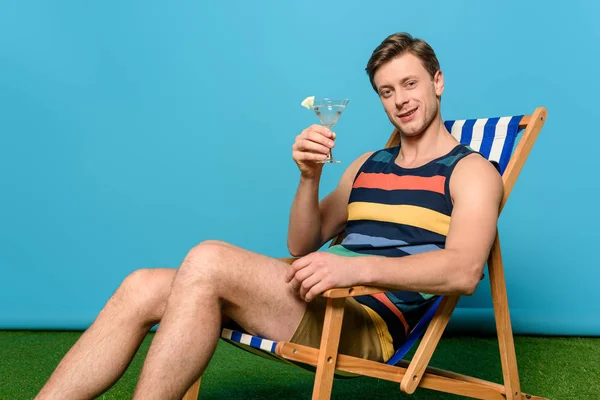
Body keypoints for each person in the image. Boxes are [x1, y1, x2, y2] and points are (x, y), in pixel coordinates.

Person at [35, 32, 503, 400]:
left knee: (209, 259)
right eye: (386, 91)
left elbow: (463, 271)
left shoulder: (471, 172)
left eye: (410, 83)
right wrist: (307, 176)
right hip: (314, 295)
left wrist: (354, 268)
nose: (400, 100)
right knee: (142, 284)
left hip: (361, 321)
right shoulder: (366, 165)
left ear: (437, 81)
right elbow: (302, 245)